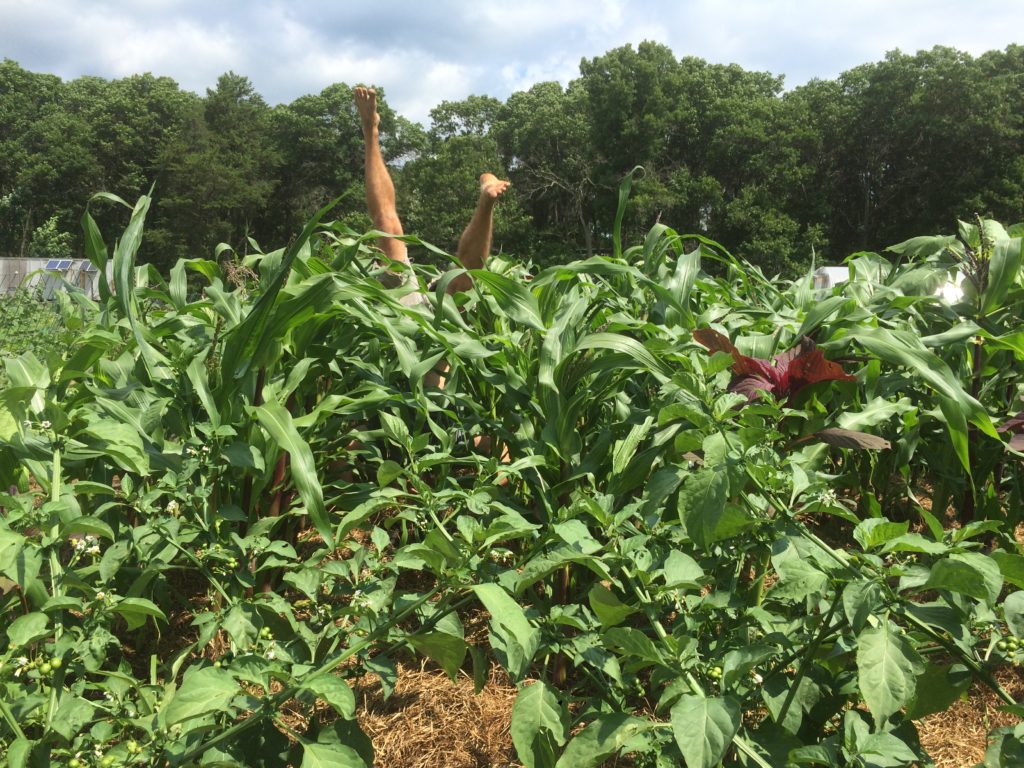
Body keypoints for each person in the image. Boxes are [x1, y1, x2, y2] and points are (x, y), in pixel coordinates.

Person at [353, 86, 510, 299]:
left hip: (434, 314)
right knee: (388, 230)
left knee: (464, 280)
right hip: (403, 312)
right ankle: (370, 130)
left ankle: (486, 201)